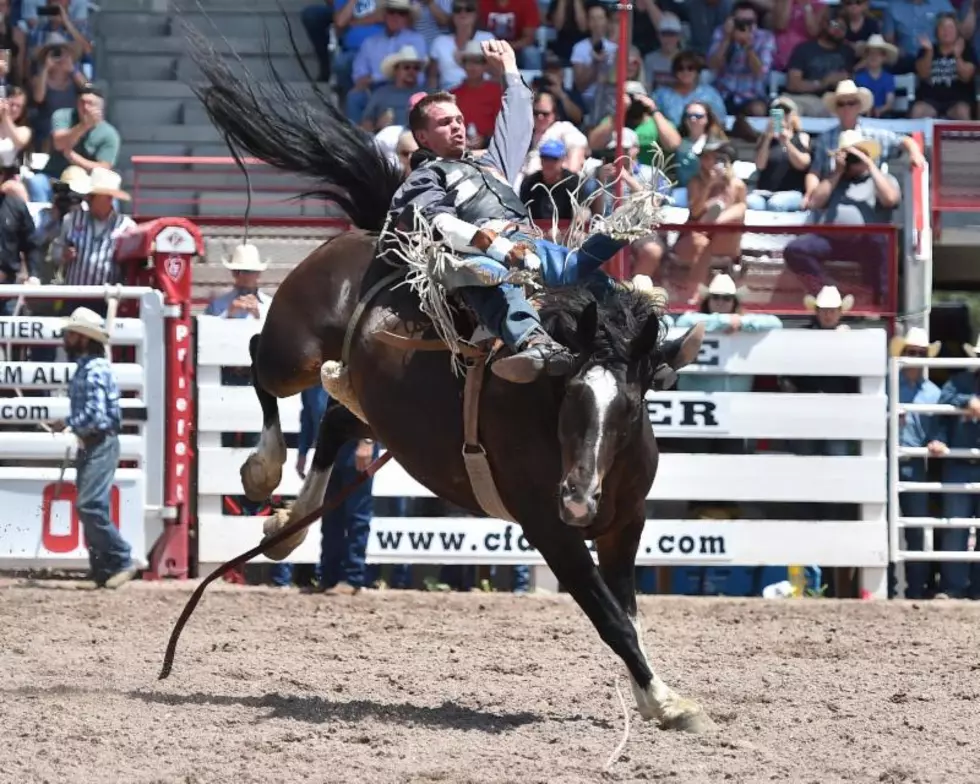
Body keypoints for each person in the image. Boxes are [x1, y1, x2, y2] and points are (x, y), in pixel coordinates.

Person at [388, 39, 660, 384]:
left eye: (458, 119)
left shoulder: (490, 163)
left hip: (529, 246)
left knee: (581, 271)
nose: (457, 126)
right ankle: (534, 342)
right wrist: (498, 247)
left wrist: (511, 70)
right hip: (475, 256)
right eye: (444, 123)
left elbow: (516, 122)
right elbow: (437, 223)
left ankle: (648, 339)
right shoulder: (426, 176)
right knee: (490, 278)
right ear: (423, 137)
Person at [51, 307, 137, 589]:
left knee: (90, 504)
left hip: (99, 442)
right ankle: (102, 570)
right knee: (90, 505)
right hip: (95, 443)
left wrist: (70, 422)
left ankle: (122, 559)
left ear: (83, 338)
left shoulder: (93, 369)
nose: (66, 337)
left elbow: (96, 415)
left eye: (71, 333)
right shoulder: (89, 367)